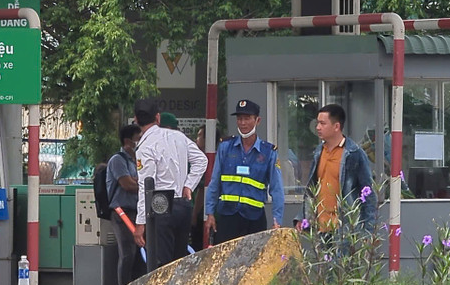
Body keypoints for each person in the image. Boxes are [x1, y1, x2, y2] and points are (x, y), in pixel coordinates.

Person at [134, 98, 208, 270]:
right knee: (179, 263)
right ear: (157, 117)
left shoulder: (145, 147)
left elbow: (146, 185)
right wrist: (189, 185)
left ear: (136, 120)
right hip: (183, 202)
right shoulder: (178, 136)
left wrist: (140, 222)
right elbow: (201, 160)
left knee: (161, 265)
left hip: (160, 202)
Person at [204, 99, 285, 246]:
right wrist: (209, 213)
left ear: (257, 120)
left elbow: (277, 189)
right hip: (227, 216)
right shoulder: (225, 147)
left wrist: (277, 220)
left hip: (254, 218)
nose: (243, 123)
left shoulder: (268, 152)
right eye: (239, 119)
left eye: (247, 118)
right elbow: (214, 182)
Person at [305, 104, 376, 233]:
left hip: (344, 229)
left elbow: (368, 192)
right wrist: (303, 217)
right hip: (320, 228)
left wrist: (369, 231)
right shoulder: (319, 152)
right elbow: (311, 187)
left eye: (322, 123)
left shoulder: (354, 154)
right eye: (317, 123)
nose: (318, 127)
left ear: (336, 126)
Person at [106, 123, 146, 285]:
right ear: (128, 142)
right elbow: (127, 184)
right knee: (128, 252)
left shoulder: (138, 161)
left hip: (137, 211)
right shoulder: (118, 160)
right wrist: (142, 184)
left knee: (140, 253)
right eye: (139, 139)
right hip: (122, 213)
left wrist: (138, 181)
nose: (141, 142)